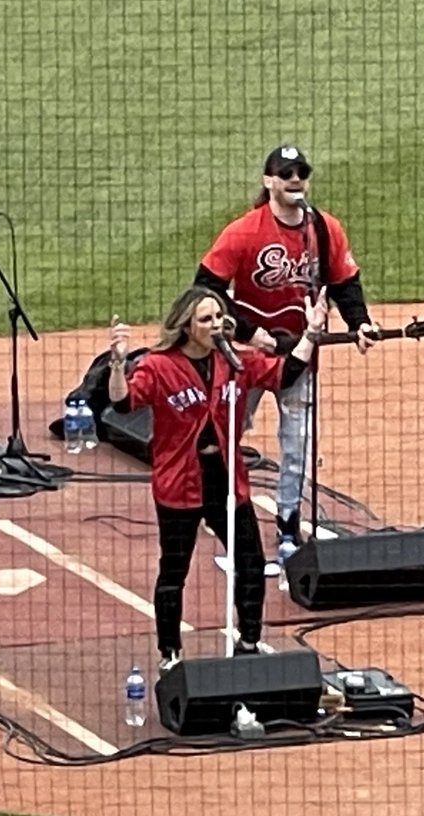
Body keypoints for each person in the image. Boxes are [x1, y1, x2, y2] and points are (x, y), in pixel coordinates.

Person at [107, 285, 327, 668]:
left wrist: (310, 333)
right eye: (205, 319)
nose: (215, 325)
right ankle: (170, 653)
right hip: (179, 482)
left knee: (251, 561)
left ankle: (249, 641)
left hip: (226, 478)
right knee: (174, 570)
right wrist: (116, 364)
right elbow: (124, 402)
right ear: (187, 326)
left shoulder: (234, 363)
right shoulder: (159, 367)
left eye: (218, 317)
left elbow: (286, 374)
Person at [194, 144, 376, 567]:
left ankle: (289, 524)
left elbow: (346, 282)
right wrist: (248, 332)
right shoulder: (243, 231)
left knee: (297, 445)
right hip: (246, 357)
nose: (295, 180)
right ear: (268, 181)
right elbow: (205, 288)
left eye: (301, 173)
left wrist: (359, 322)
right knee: (223, 435)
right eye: (286, 173)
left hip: (300, 353)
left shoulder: (325, 229)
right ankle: (221, 514)